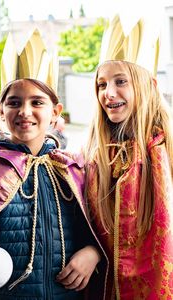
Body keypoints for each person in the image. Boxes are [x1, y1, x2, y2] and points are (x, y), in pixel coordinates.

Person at [0, 78, 108, 300]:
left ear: (55, 112)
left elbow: (98, 229)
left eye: (37, 102)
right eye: (14, 103)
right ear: (0, 111)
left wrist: (93, 252)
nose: (24, 112)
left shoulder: (72, 169)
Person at [84, 15, 173, 299]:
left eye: (120, 81)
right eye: (101, 84)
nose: (109, 93)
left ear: (147, 85)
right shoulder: (93, 155)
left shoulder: (166, 149)